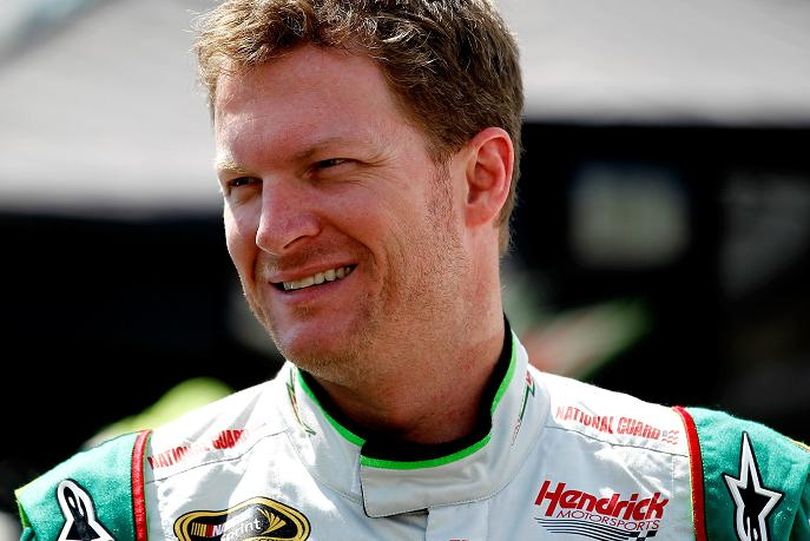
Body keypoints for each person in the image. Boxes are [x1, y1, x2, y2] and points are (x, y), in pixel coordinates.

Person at [15, 1, 809, 539]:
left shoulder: (741, 499)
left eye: (329, 165)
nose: (276, 232)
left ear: (480, 179)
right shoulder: (108, 514)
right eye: (242, 185)